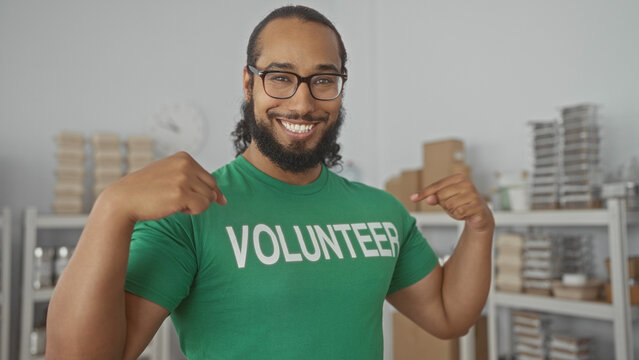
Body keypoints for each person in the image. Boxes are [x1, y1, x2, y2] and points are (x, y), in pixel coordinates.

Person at [46, 5, 494, 360]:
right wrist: (112, 209)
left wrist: (478, 229)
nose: (302, 102)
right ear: (249, 83)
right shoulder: (192, 213)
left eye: (323, 79)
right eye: (280, 78)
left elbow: (448, 315)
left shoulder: (382, 213)